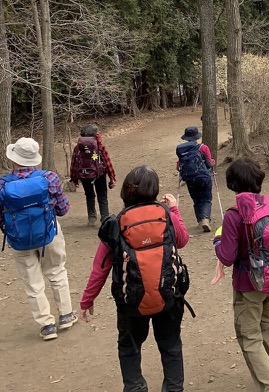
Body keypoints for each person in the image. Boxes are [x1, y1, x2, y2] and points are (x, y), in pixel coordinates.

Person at [80, 165, 189, 392]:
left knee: (129, 347)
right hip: (168, 295)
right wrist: (175, 210)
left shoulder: (116, 223)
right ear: (155, 191)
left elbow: (100, 268)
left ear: (126, 191)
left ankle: (135, 387)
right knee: (170, 345)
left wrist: (87, 300)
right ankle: (174, 388)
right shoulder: (165, 214)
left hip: (131, 301)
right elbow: (182, 240)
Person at [213, 158, 269, 392]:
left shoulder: (233, 215)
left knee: (249, 334)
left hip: (249, 283)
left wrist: (218, 240)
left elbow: (227, 257)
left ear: (232, 184)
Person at [0, 137, 76, 341]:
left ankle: (47, 325)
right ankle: (66, 314)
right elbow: (63, 209)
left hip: (19, 239)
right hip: (49, 233)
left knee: (32, 282)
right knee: (57, 271)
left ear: (14, 159)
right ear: (34, 158)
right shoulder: (49, 178)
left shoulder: (3, 184)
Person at [69, 123, 117, 226]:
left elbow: (74, 163)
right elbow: (107, 161)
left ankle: (91, 218)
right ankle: (105, 218)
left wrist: (74, 179)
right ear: (95, 134)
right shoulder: (98, 146)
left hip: (84, 175)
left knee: (89, 195)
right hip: (99, 174)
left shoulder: (78, 148)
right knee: (102, 196)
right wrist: (112, 177)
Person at [175, 125, 215, 232]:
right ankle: (206, 219)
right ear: (196, 137)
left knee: (196, 200)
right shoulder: (203, 147)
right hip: (204, 177)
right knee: (206, 199)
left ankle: (200, 221)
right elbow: (209, 163)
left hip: (189, 179)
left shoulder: (181, 150)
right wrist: (213, 163)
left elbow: (178, 166)